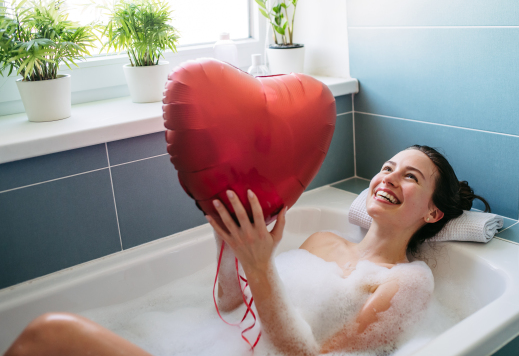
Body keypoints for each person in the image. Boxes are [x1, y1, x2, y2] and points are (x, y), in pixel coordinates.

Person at [4, 145, 489, 356]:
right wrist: (232, 252)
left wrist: (261, 270)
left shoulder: (405, 281)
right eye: (388, 167)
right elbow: (233, 307)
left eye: (411, 176)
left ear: (432, 214)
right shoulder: (322, 241)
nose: (389, 178)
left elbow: (312, 355)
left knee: (51, 333)